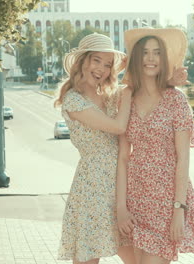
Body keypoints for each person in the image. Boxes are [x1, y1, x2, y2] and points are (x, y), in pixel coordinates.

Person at [116, 28, 194, 264]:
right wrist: (121, 208)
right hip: (135, 199)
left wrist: (179, 210)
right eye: (145, 53)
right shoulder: (126, 100)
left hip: (166, 201)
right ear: (137, 58)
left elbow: (183, 158)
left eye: (157, 53)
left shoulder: (176, 100)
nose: (151, 58)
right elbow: (123, 157)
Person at [53, 33, 135, 264]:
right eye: (96, 60)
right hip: (93, 187)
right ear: (83, 62)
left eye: (108, 64)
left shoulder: (109, 97)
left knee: (135, 258)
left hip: (121, 183)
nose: (101, 68)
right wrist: (127, 90)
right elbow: (119, 127)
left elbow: (142, 87)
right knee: (89, 258)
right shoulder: (74, 101)